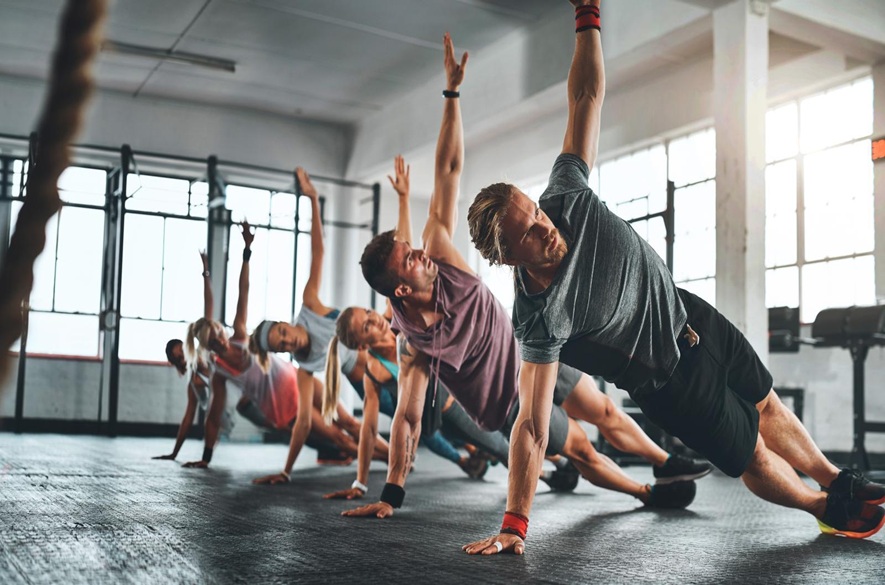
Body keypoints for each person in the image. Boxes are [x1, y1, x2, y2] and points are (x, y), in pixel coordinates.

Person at [465, 0, 885, 552]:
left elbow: (586, 96)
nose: (545, 225)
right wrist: (514, 523)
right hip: (670, 381)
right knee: (751, 452)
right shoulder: (540, 319)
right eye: (530, 231)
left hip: (692, 316)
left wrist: (587, 15)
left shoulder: (566, 192)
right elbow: (532, 427)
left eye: (536, 212)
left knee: (768, 405)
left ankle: (835, 478)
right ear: (508, 257)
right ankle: (821, 508)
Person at [349, 32, 710, 524]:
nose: (421, 252)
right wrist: (392, 494)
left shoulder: (441, 254)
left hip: (534, 351)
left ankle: (666, 462)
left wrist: (451, 95)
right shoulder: (413, 346)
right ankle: (645, 492)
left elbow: (449, 169)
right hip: (504, 402)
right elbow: (408, 420)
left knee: (603, 411)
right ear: (402, 291)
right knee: (579, 446)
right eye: (410, 259)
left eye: (413, 248)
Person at [183, 222, 376, 473]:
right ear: (208, 347)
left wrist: (246, 251)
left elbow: (244, 290)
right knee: (337, 437)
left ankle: (394, 455)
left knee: (349, 421)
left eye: (219, 334)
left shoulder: (240, 334)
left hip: (297, 381)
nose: (220, 341)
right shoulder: (221, 373)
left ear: (221, 328)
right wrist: (206, 458)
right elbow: (213, 418)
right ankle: (382, 461)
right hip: (284, 407)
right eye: (213, 342)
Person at [251, 168, 389, 485]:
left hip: (378, 348)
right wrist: (286, 470)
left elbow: (318, 251)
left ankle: (403, 457)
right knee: (355, 428)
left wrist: (313, 199)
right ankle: (396, 459)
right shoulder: (303, 368)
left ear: (286, 323)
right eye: (281, 346)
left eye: (283, 333)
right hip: (361, 371)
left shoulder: (309, 304)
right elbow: (302, 423)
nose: (288, 342)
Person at [154, 250, 234, 461]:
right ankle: (207, 455)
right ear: (177, 363)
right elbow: (188, 419)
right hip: (225, 417)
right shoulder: (194, 385)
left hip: (239, 395)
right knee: (211, 415)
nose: (184, 358)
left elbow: (209, 308)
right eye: (179, 358)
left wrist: (205, 272)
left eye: (183, 352)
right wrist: (174, 453)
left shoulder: (204, 350)